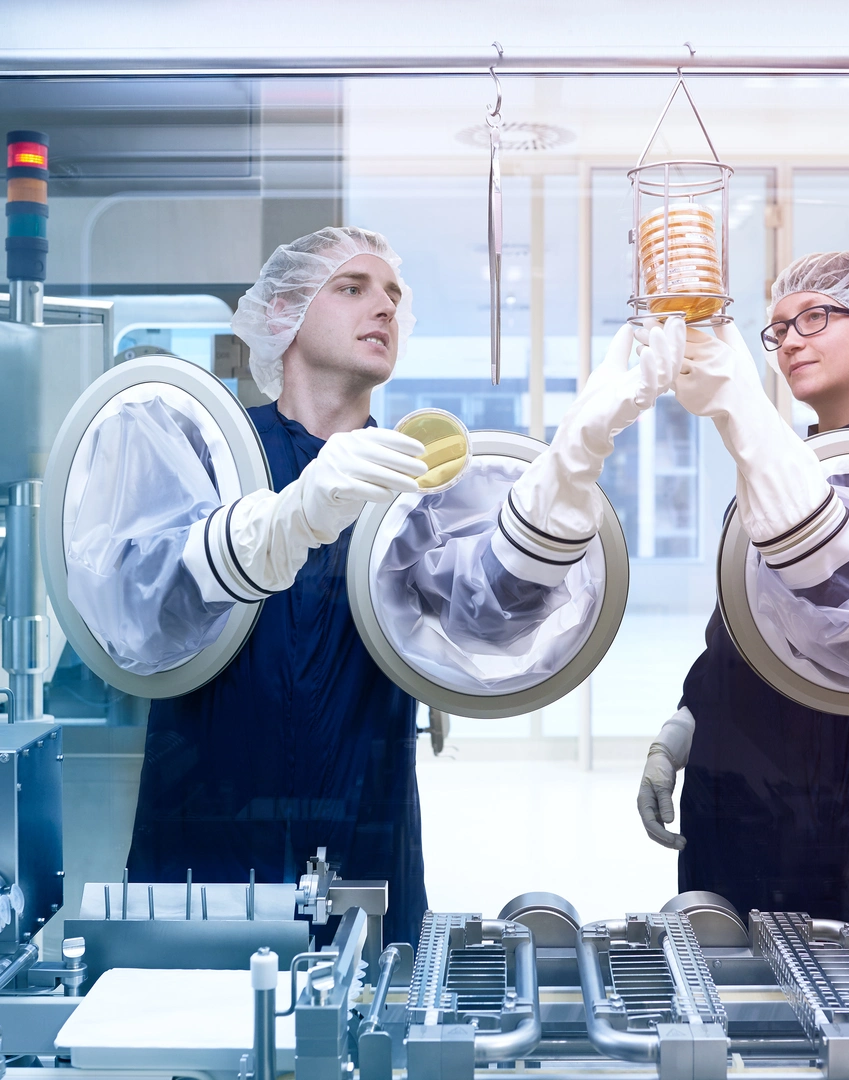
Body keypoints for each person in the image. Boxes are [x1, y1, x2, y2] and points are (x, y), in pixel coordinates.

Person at [63, 226, 682, 946]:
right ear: (283, 316)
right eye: (352, 288)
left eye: (392, 295)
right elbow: (136, 606)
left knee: (359, 1037)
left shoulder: (416, 487)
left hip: (362, 842)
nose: (383, 307)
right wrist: (284, 520)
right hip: (205, 840)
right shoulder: (213, 452)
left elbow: (491, 612)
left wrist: (574, 458)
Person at [636, 251, 849, 926]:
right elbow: (734, 628)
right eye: (779, 328)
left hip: (822, 800)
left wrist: (740, 413)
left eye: (815, 317)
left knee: (803, 1003)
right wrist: (681, 729)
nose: (791, 339)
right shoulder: (783, 465)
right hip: (723, 779)